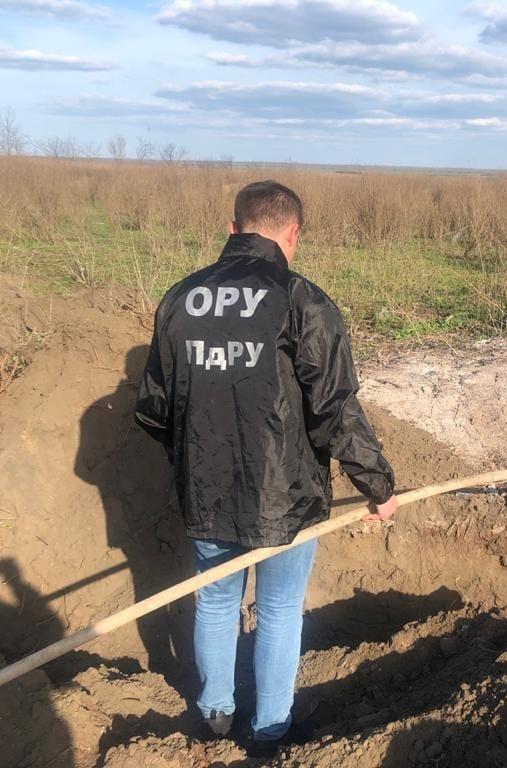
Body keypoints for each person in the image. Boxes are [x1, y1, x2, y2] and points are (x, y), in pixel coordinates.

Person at [135, 180, 397, 749]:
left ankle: (214, 714)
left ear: (233, 229)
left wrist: (193, 463)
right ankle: (272, 728)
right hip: (288, 501)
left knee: (217, 600)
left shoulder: (180, 300)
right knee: (279, 610)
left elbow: (154, 410)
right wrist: (378, 485)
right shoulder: (304, 302)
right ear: (292, 234)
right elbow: (336, 411)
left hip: (205, 495)